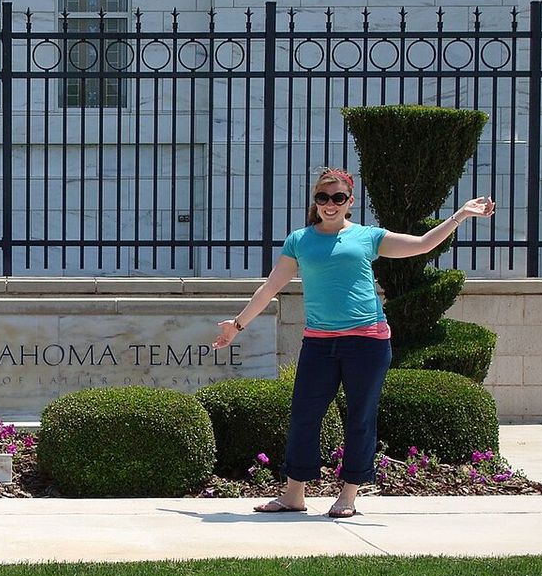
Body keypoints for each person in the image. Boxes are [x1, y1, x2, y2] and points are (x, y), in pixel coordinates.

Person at [211, 168, 496, 518]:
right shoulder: (300, 240)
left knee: (360, 418)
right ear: (315, 202)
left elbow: (421, 245)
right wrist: (236, 326)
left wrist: (461, 215)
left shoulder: (367, 237)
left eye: (338, 198)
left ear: (350, 202)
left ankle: (348, 495)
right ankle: (294, 495)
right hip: (319, 344)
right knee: (303, 416)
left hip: (367, 341)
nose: (330, 205)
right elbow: (270, 288)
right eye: (323, 198)